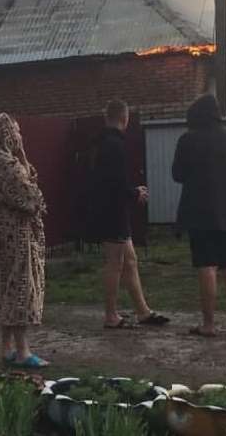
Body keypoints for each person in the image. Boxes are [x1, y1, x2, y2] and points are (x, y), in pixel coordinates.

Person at [90, 99, 170, 329]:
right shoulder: (113, 145)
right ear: (125, 119)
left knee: (131, 261)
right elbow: (114, 183)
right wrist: (135, 192)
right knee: (115, 263)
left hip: (113, 210)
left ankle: (143, 311)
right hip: (112, 212)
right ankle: (110, 315)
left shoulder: (103, 143)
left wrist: (132, 192)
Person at [172, 94, 226, 338]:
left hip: (200, 214)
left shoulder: (188, 140)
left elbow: (178, 174)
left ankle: (209, 324)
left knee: (207, 267)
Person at [0, 113, 49, 369]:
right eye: (16, 132)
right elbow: (31, 198)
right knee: (20, 288)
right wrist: (22, 154)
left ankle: (6, 347)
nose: (20, 136)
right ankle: (23, 351)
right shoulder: (8, 166)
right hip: (16, 232)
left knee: (5, 286)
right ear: (7, 136)